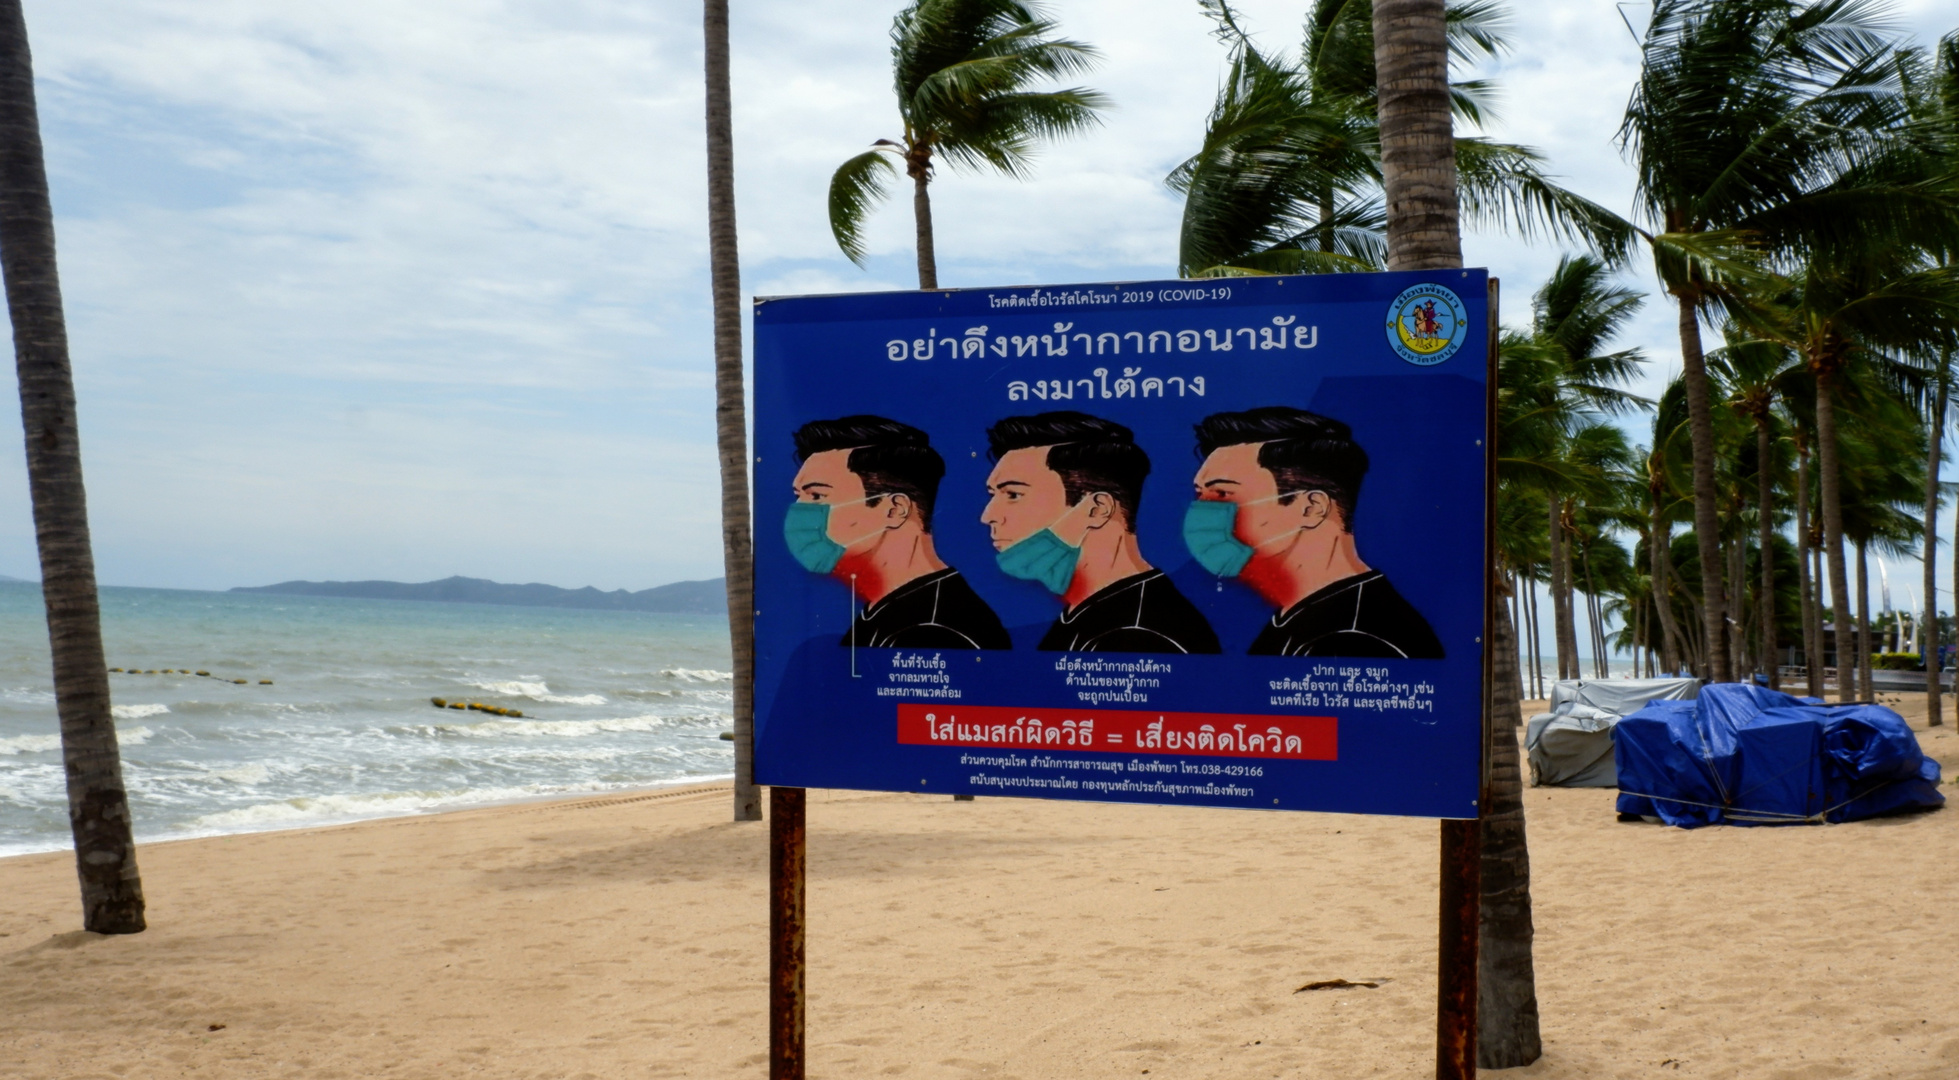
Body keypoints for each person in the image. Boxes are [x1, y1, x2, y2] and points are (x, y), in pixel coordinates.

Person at [1186, 406, 1443, 658]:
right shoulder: (1301, 615)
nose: (1202, 510)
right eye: (1200, 493)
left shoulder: (1354, 640)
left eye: (1222, 493)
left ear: (1312, 508)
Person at [982, 411, 1219, 654]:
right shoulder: (1090, 612)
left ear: (1097, 510)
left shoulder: (1137, 634)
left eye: (1013, 494)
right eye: (993, 495)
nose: (988, 515)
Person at [786, 415, 1009, 649]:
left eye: (817, 496)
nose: (799, 512)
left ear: (895, 510)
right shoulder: (887, 609)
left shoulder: (933, 632)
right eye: (798, 496)